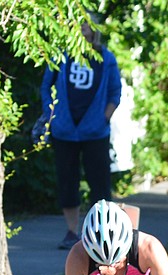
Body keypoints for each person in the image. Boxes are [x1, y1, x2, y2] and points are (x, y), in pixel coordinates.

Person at [41, 17, 121, 250]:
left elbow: (115, 92)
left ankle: (103, 233)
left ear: (93, 30)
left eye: (85, 25)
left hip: (95, 132)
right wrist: (51, 113)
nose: (81, 29)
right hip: (64, 131)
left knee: (100, 183)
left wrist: (104, 117)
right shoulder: (60, 55)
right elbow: (46, 85)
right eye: (77, 25)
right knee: (67, 181)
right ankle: (71, 232)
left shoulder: (106, 58)